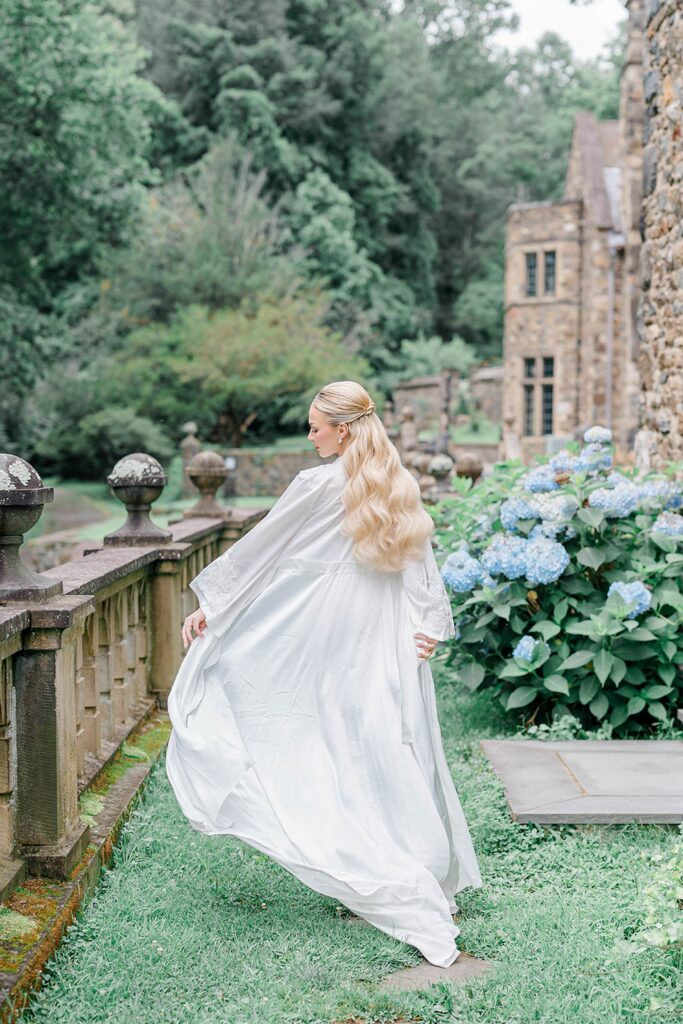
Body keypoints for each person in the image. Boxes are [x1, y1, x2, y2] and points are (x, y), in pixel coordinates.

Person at [165, 380, 482, 968]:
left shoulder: (317, 484)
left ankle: (379, 864)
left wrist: (215, 606)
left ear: (343, 429)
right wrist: (430, 624)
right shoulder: (399, 484)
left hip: (337, 644)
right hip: (380, 645)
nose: (309, 436)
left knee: (346, 747)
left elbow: (263, 550)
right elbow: (421, 565)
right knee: (386, 747)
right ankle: (414, 862)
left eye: (316, 426)